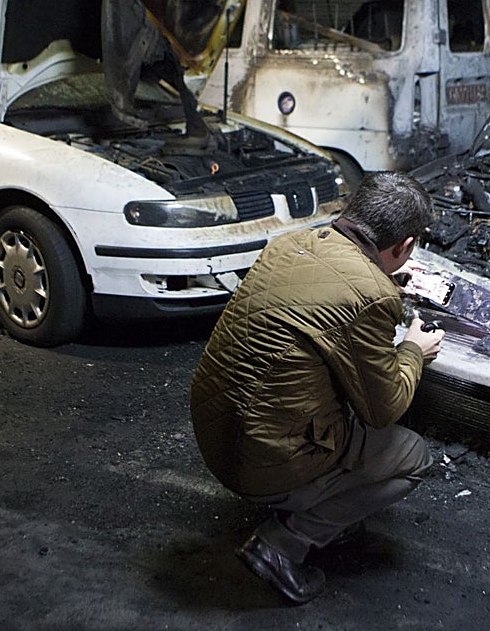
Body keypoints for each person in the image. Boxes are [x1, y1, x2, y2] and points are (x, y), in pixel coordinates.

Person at [190, 171, 444, 604]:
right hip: (259, 463)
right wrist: (415, 351)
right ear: (403, 246)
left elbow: (325, 293)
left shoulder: (290, 243)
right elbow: (384, 409)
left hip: (214, 431)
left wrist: (385, 277)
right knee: (413, 457)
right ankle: (281, 546)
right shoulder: (372, 297)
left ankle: (305, 500)